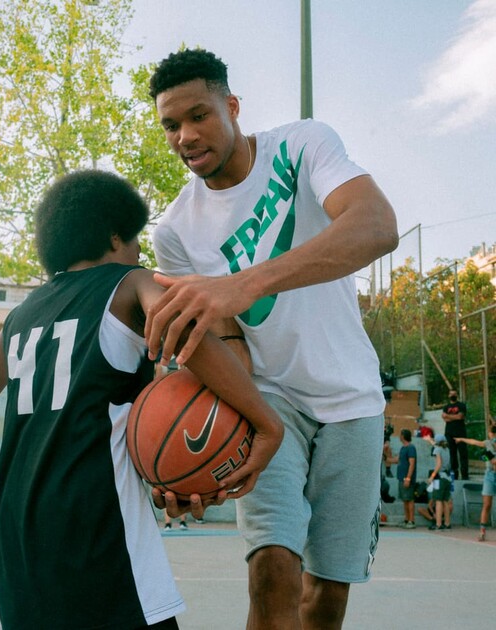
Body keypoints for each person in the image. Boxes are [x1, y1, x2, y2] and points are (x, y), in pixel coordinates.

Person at [0, 170, 283, 630]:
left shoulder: (23, 315)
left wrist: (15, 490)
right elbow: (188, 331)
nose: (140, 250)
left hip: (18, 534)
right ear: (114, 235)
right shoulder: (129, 282)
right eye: (135, 238)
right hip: (94, 524)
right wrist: (266, 422)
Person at [146, 49, 399, 629]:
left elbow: (377, 224)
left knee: (327, 596)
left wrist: (240, 284)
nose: (185, 135)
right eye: (170, 124)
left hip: (352, 400)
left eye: (199, 115)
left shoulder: (301, 145)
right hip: (270, 400)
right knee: (271, 572)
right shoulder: (176, 233)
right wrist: (208, 445)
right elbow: (225, 340)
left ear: (232, 107)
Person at [455, 422, 496, 542]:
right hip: (489, 474)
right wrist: (462, 439)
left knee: (487, 505)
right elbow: (475, 443)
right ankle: (482, 531)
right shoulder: (488, 443)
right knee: (486, 504)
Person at [387, 429, 417, 528]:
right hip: (401, 478)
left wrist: (408, 478)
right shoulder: (402, 448)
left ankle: (411, 521)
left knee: (410, 499)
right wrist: (386, 459)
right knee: (405, 500)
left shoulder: (411, 448)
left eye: (401, 435)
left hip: (407, 478)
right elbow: (397, 460)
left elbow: (412, 463)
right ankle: (406, 519)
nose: (399, 436)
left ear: (404, 436)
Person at [425, 434, 452, 530]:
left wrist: (432, 476)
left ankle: (438, 524)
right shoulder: (446, 450)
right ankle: (447, 523)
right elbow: (435, 445)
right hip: (447, 478)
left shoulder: (437, 450)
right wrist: (429, 440)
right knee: (445, 501)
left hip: (439, 478)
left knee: (438, 501)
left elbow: (438, 464)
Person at [442, 389, 468, 480]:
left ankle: (465, 475)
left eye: (454, 394)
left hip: (460, 433)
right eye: (451, 394)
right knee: (452, 455)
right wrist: (455, 417)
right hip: (449, 433)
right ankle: (455, 475)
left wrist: (448, 416)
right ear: (449, 395)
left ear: (457, 395)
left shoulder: (461, 405)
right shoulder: (446, 407)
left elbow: (460, 416)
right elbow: (445, 419)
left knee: (463, 454)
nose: (453, 395)